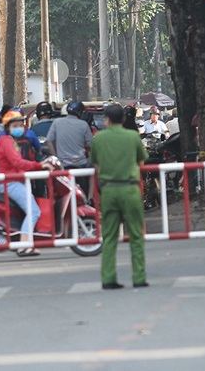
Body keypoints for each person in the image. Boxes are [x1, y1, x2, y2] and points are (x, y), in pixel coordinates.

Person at [88, 102, 149, 289]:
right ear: (123, 119)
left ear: (106, 119)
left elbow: (95, 165)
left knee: (109, 236)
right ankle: (139, 278)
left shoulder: (98, 139)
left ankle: (108, 278)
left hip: (109, 190)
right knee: (136, 235)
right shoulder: (133, 136)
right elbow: (141, 163)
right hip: (130, 189)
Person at [0, 110, 55, 257]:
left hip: (13, 182)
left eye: (20, 125)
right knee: (34, 211)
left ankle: (27, 243)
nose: (19, 128)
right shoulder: (7, 142)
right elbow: (18, 162)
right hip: (11, 183)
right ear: (7, 128)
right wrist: (40, 165)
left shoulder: (9, 141)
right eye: (15, 126)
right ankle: (24, 246)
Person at [47, 100, 92, 196]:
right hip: (80, 164)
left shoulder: (57, 122)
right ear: (80, 112)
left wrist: (55, 157)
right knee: (93, 171)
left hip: (62, 165)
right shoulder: (84, 124)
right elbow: (91, 144)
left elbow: (48, 140)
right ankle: (90, 198)